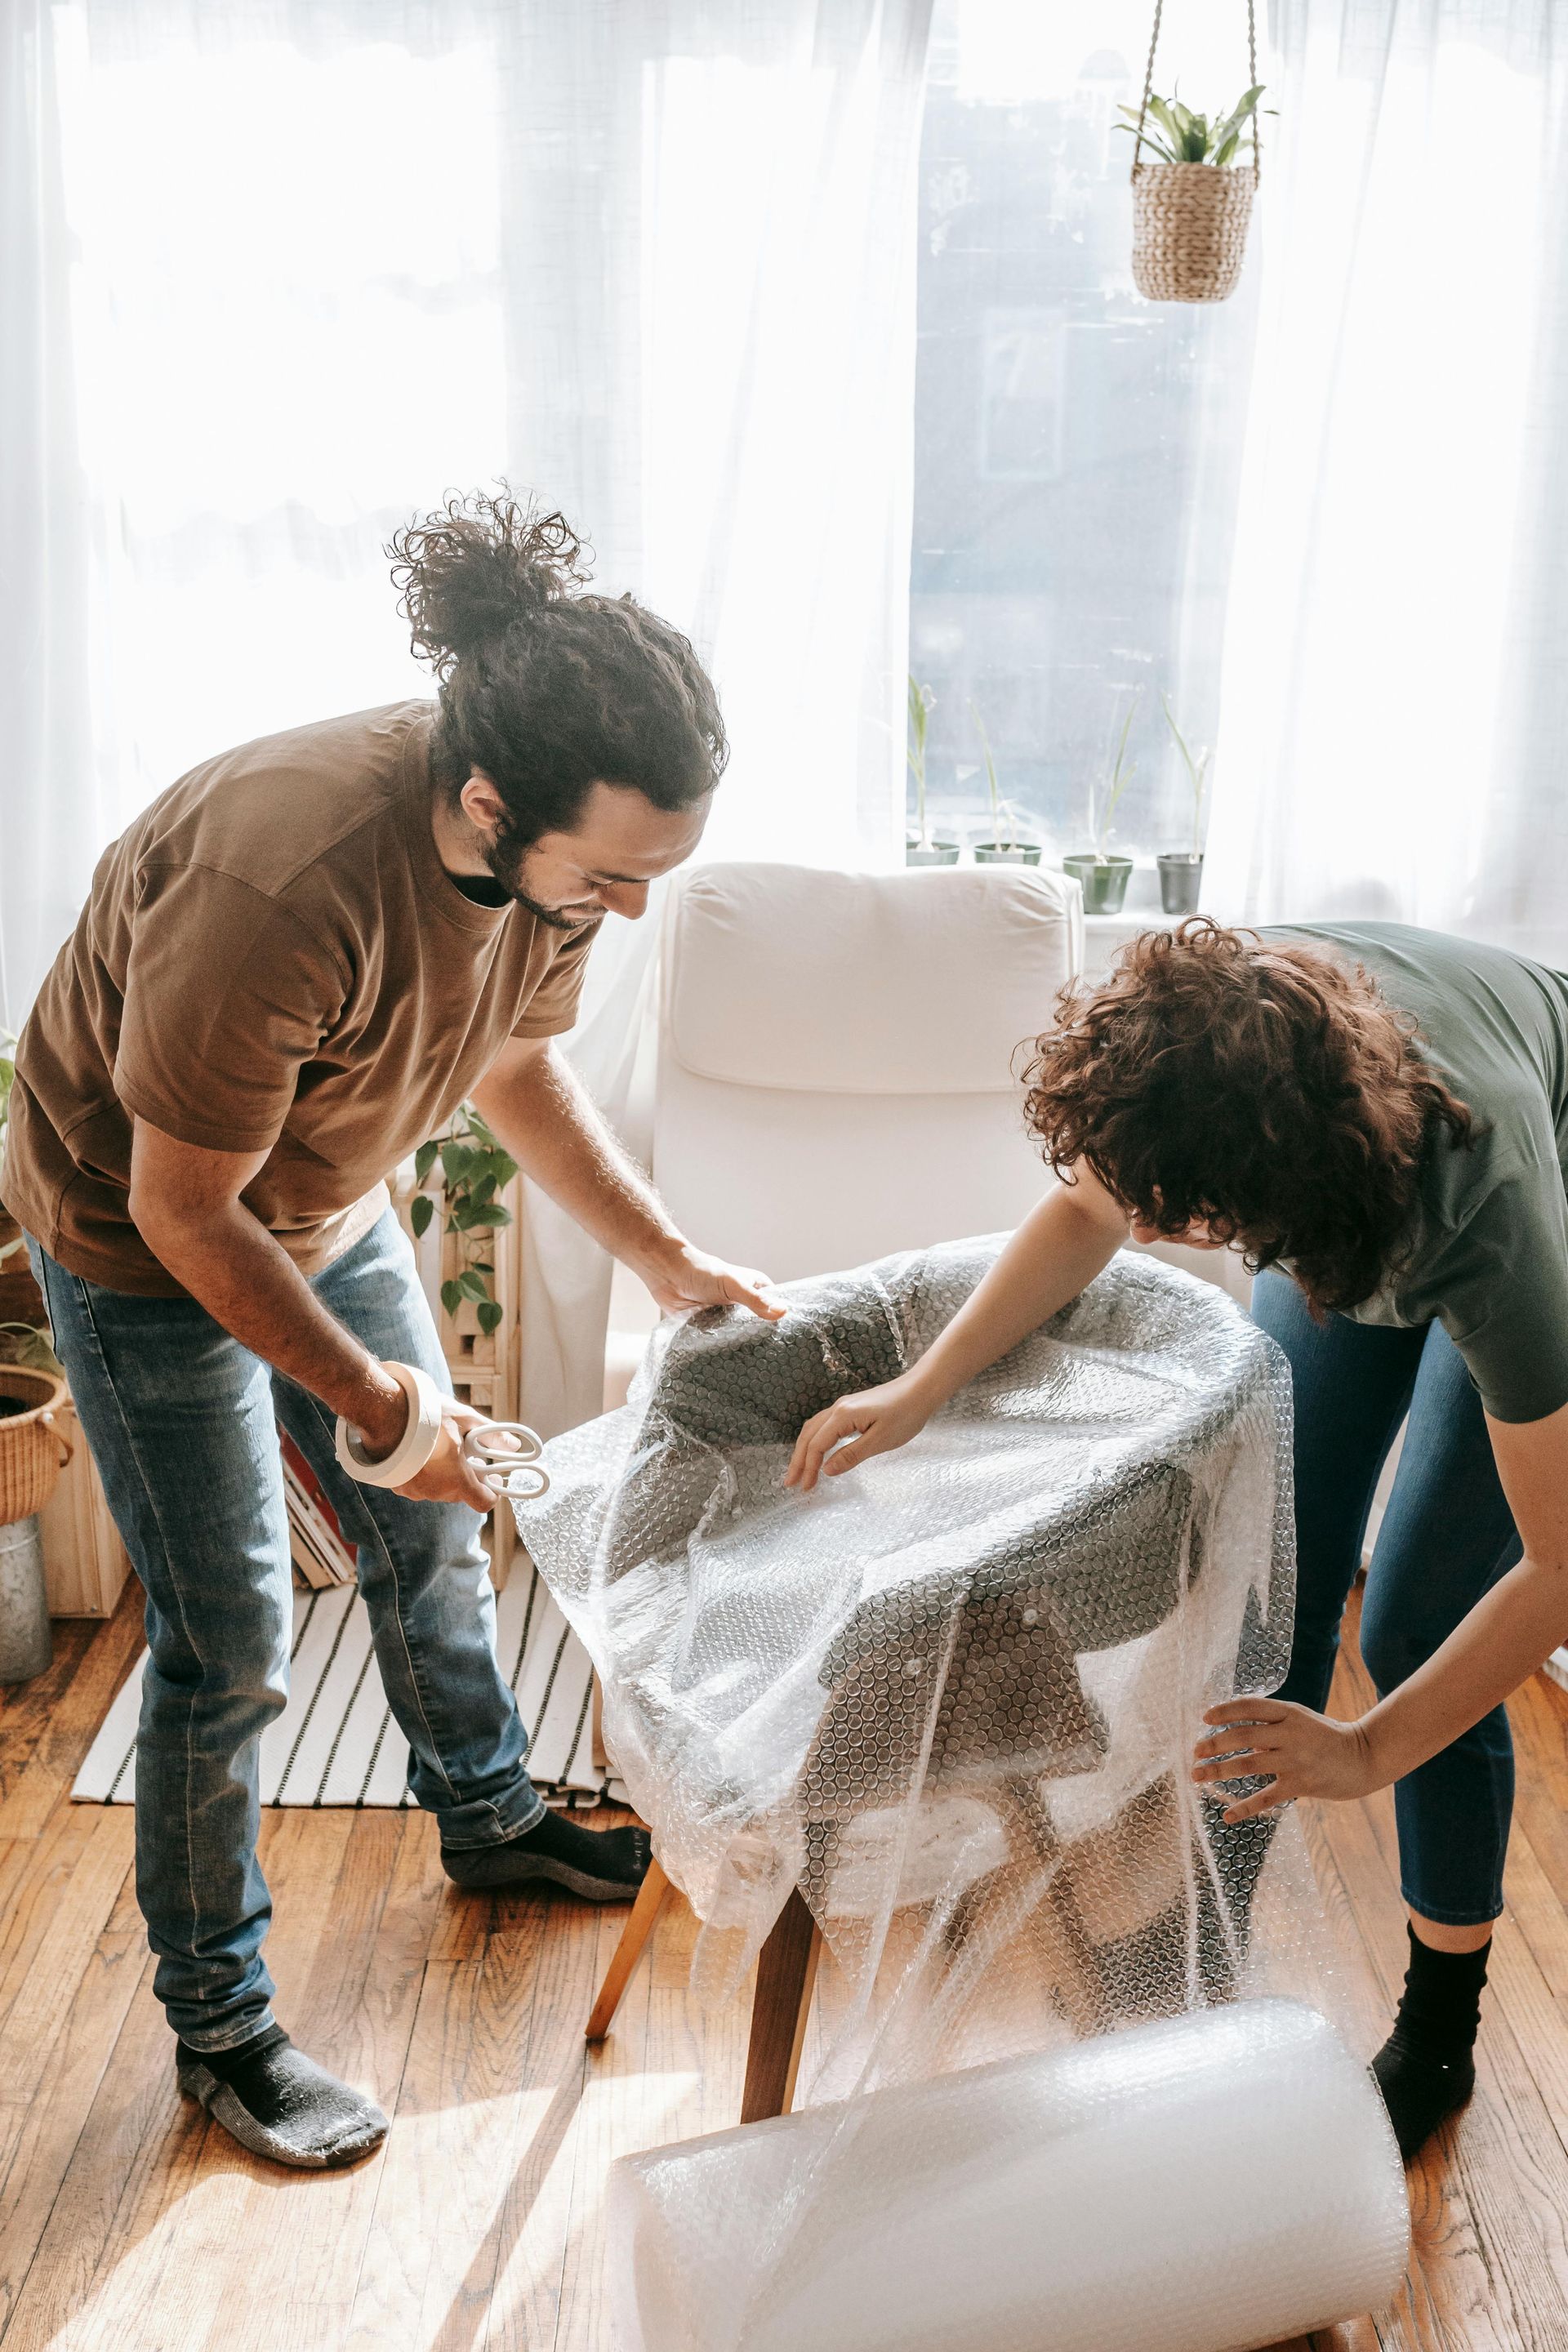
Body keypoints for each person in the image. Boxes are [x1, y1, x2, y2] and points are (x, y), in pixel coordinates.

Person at [2, 488, 782, 2171]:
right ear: (489, 799)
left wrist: (666, 1259)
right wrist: (379, 1407)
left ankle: (490, 1819)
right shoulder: (279, 876)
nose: (628, 913)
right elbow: (183, 1210)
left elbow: (512, 1065)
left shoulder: (549, 875)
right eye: (613, 874)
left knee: (435, 1546)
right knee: (235, 1643)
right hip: (144, 1237)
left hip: (321, 1202)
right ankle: (222, 2031)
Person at [786, 917, 1568, 2162]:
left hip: (1528, 1177)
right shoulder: (1204, 1065)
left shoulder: (1486, 1221)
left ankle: (1440, 2026)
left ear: (1272, 1189)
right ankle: (1211, 1939)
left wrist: (1363, 1750)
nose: (1149, 1236)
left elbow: (1559, 1573)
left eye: (1182, 1216)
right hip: (1360, 1166)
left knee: (1421, 1614)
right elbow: (1091, 1216)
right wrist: (922, 1387)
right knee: (1285, 1558)